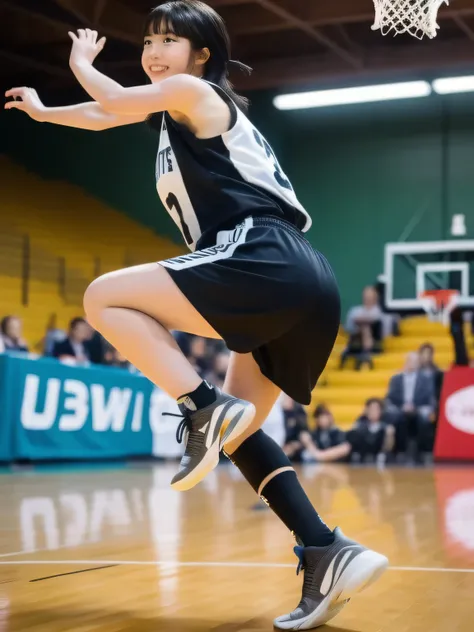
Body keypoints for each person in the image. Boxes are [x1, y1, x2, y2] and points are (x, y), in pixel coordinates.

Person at [4, 1, 388, 627]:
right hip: (305, 285)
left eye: (169, 40)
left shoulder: (194, 91)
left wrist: (79, 63)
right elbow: (105, 116)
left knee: (103, 297)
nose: (154, 52)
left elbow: (111, 96)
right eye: (149, 40)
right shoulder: (174, 109)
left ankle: (201, 406)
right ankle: (325, 549)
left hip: (264, 252)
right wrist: (47, 112)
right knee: (240, 440)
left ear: (201, 54)